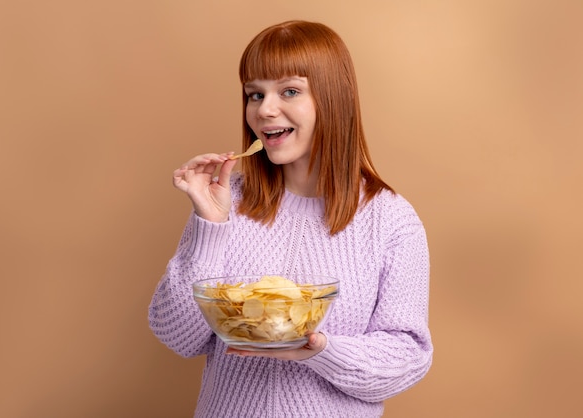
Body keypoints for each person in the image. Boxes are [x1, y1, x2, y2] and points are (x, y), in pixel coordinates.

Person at [149, 20, 433, 417]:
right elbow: (177, 335)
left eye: (290, 91)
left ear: (333, 99)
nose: (264, 110)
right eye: (254, 94)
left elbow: (407, 356)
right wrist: (209, 228)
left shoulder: (390, 220)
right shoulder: (228, 199)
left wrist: (319, 350)